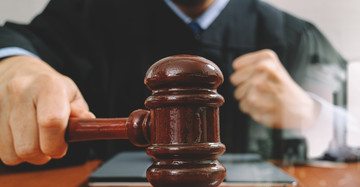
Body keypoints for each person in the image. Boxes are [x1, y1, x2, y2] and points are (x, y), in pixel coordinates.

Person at [0, 0, 351, 166]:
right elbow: (20, 44)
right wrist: (13, 66)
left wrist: (311, 114)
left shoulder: (294, 38)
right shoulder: (86, 17)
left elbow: (354, 134)